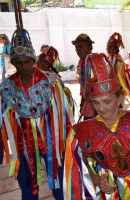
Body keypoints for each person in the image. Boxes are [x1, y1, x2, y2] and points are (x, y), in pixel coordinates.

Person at [64, 53, 130, 200]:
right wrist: (96, 179)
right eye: (96, 103)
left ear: (119, 97)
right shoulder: (83, 131)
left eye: (107, 102)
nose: (101, 108)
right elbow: (81, 166)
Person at [0, 28, 74, 200]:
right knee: (26, 180)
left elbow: (63, 116)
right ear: (13, 62)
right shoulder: (7, 87)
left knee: (57, 174)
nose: (23, 66)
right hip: (22, 142)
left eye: (27, 62)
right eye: (18, 62)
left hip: (49, 139)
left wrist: (68, 138)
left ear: (33, 60)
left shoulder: (49, 82)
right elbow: (4, 118)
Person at [106, 32, 130, 108]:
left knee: (119, 112)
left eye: (111, 47)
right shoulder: (107, 59)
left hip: (118, 91)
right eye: (108, 46)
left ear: (116, 49)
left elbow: (124, 80)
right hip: (108, 91)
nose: (108, 49)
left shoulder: (119, 62)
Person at [72, 33, 95, 119]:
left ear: (90, 48)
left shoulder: (95, 62)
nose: (78, 50)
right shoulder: (81, 62)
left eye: (81, 47)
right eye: (76, 47)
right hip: (87, 104)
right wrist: (82, 101)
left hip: (97, 107)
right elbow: (84, 86)